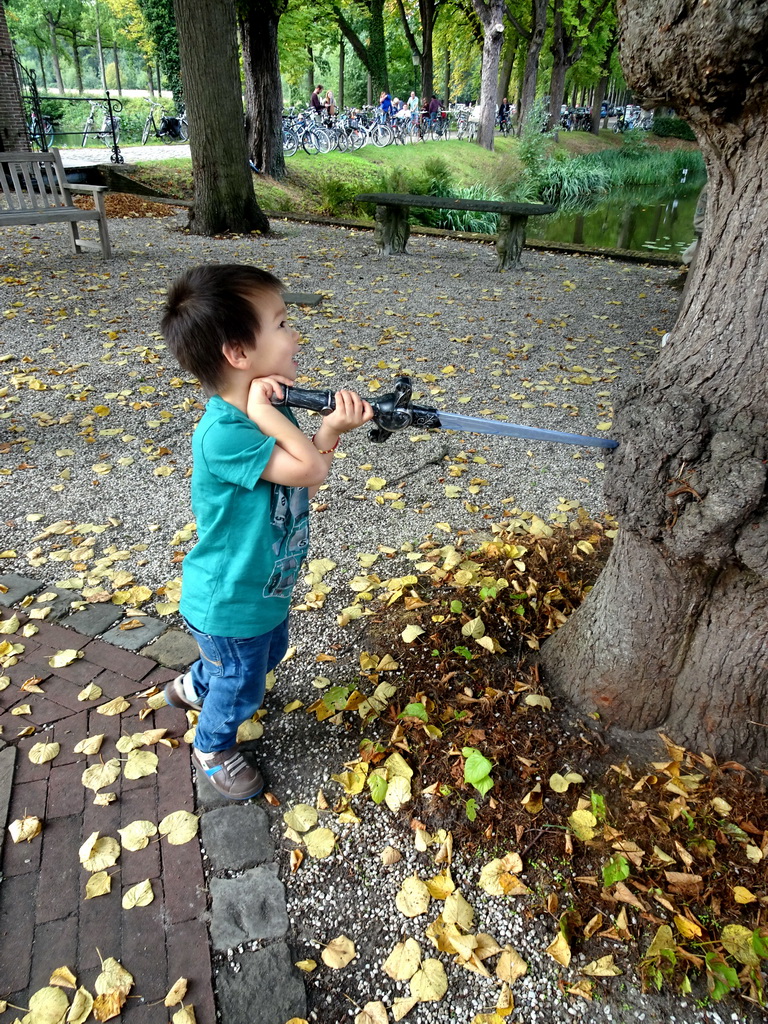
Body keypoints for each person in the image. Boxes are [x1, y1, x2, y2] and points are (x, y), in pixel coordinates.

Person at [160, 265, 374, 799]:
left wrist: (325, 429)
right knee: (241, 682)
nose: (294, 334)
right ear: (238, 353)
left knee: (265, 652)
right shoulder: (224, 433)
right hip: (228, 598)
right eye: (280, 323)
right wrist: (271, 412)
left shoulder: (262, 415)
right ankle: (212, 746)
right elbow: (311, 471)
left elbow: (302, 481)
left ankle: (194, 685)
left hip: (260, 590)